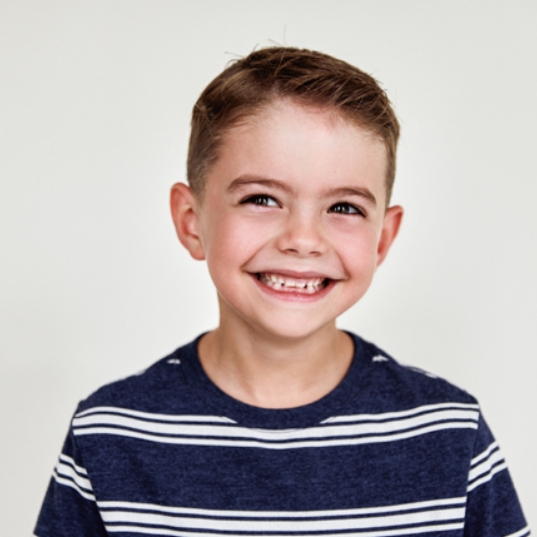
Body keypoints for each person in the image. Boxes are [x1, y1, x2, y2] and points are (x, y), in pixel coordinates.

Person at [35, 47, 529, 537]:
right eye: (262, 199)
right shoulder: (110, 432)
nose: (303, 240)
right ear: (192, 222)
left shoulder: (449, 433)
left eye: (345, 208)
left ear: (383, 238)